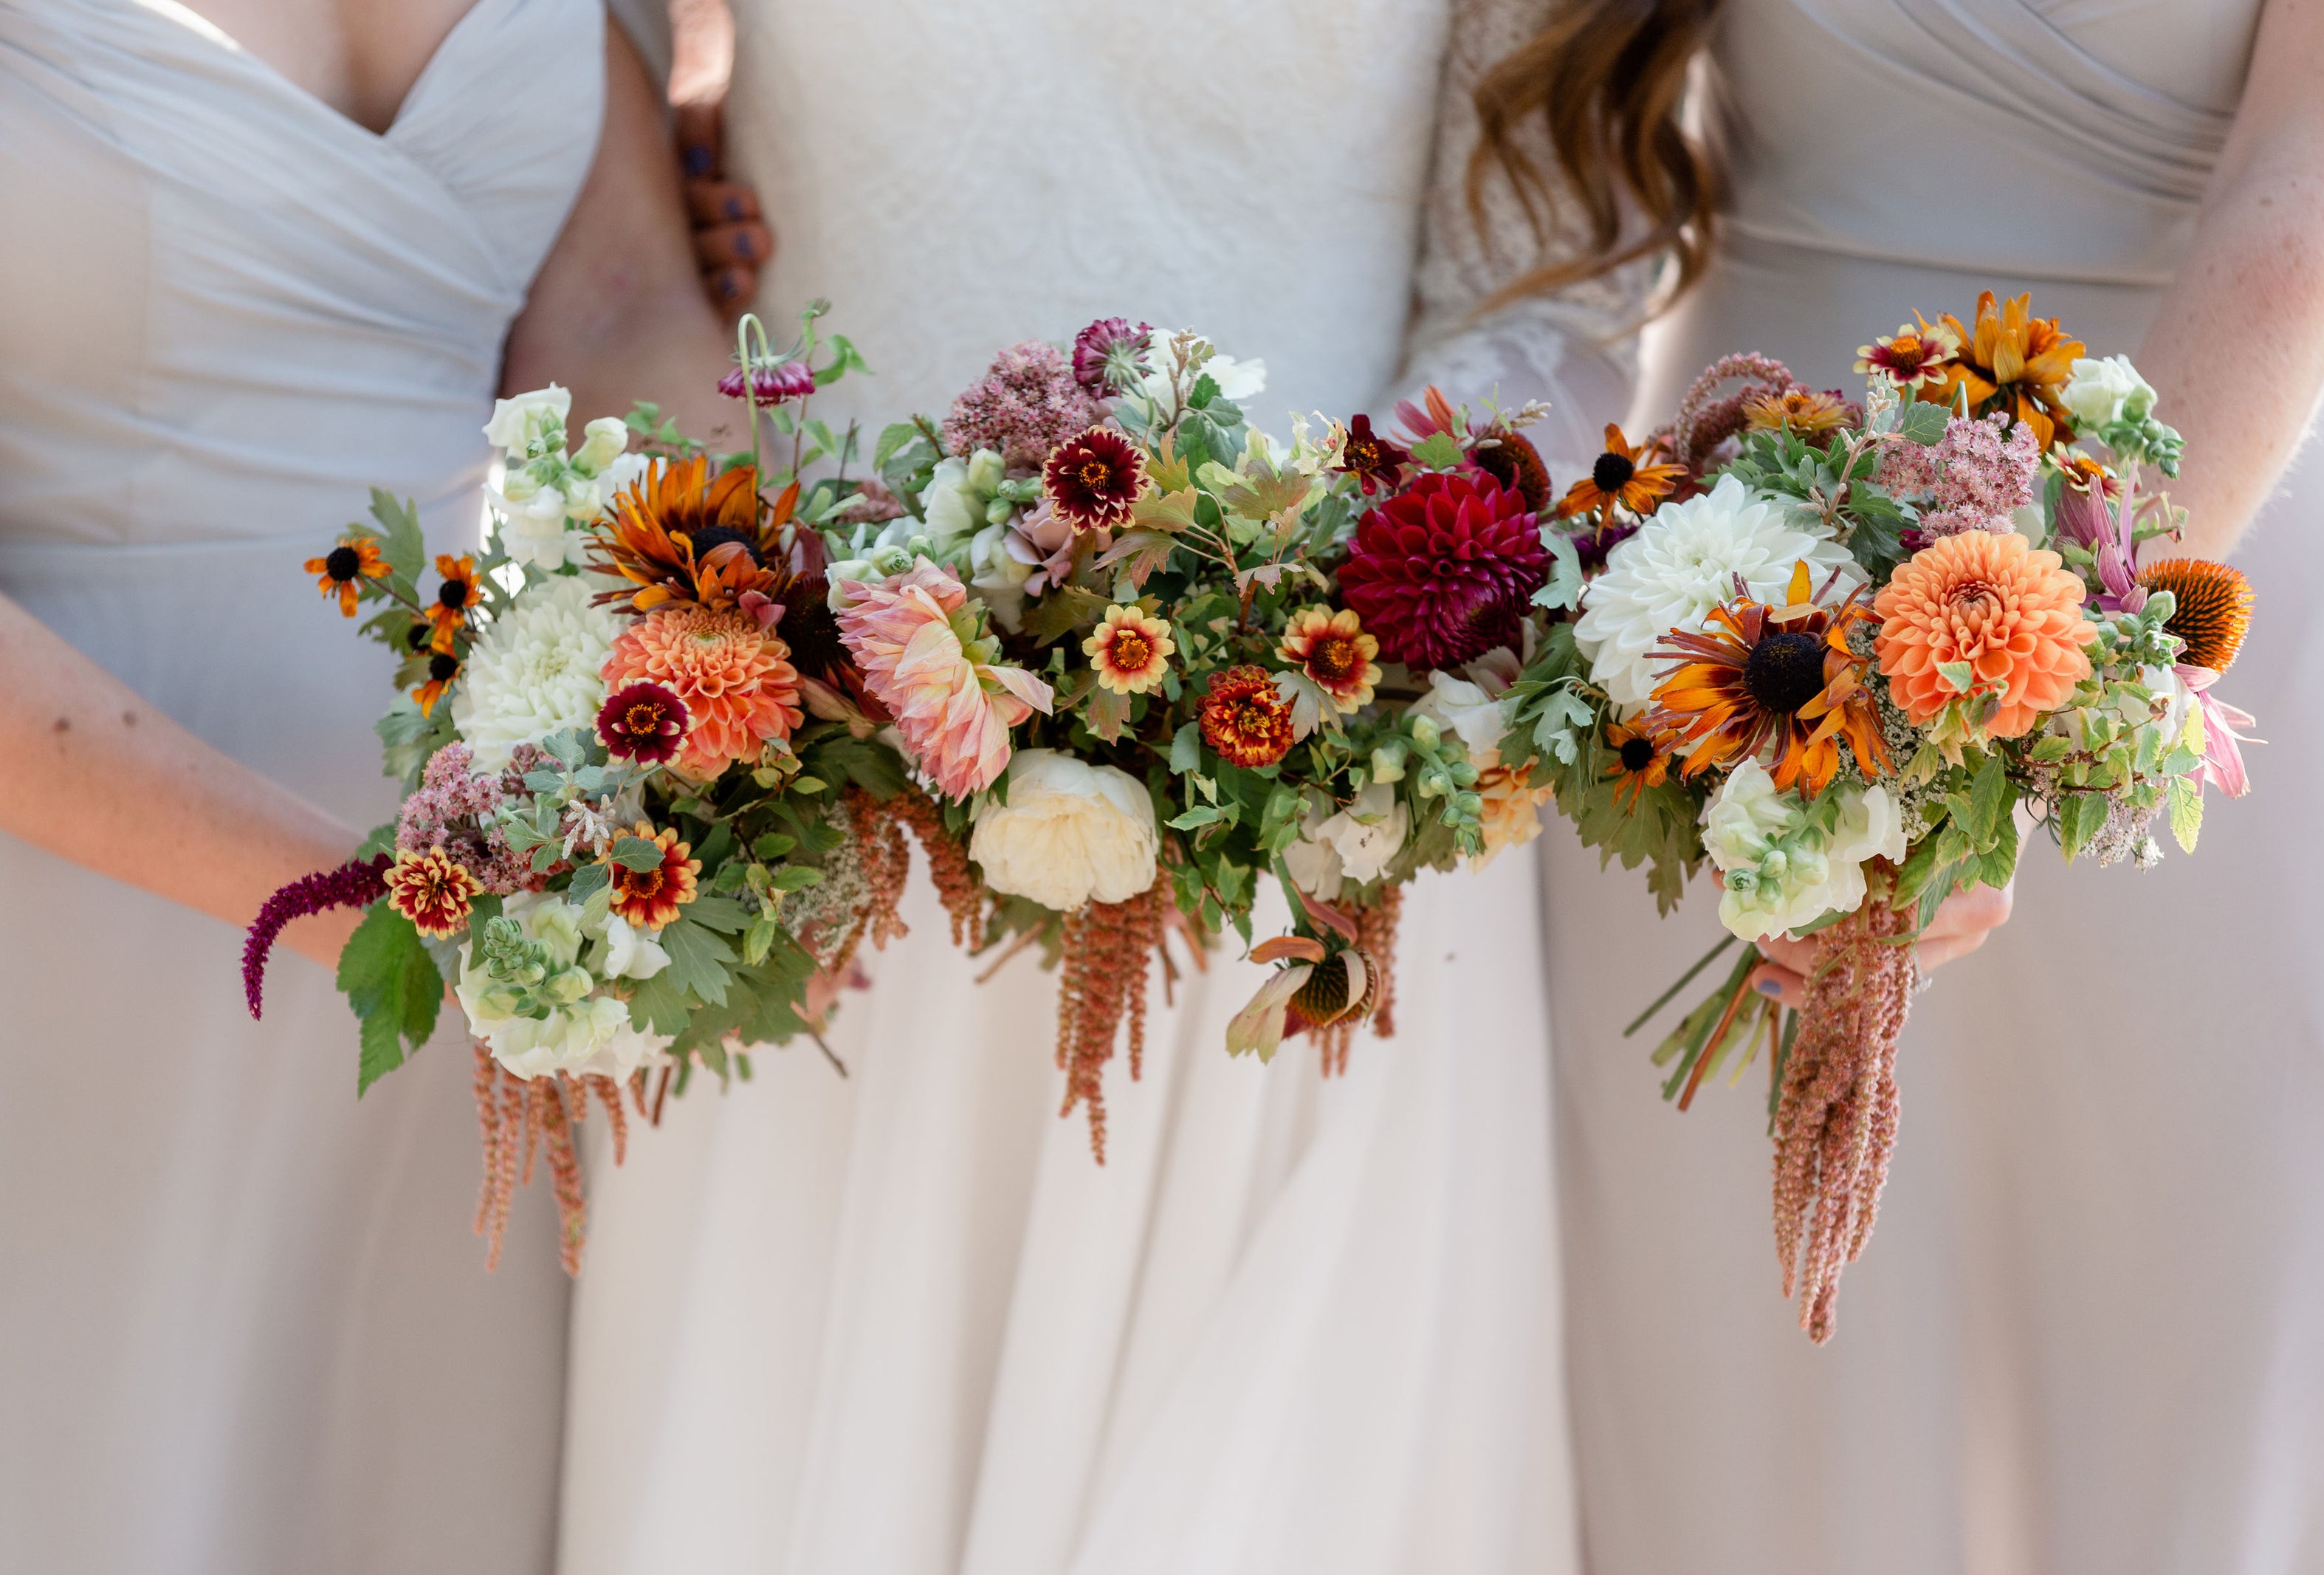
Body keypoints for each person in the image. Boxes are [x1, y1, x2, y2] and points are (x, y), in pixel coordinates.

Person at [554, 2, 1627, 1570]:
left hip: (1312, 799)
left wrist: (1278, 599)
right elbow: (603, 217)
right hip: (819, 782)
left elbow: (1550, 295)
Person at [1521, 0, 2324, 1568]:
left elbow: (2311, 197)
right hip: (1733, 614)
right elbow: (1554, 189)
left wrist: (2006, 721)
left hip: (2196, 575)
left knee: (2196, 1370)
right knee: (1750, 1402)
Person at [0, 0, 739, 1567]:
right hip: (81, 922)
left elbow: (618, 305)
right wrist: (366, 907)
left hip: (484, 963)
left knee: (408, 1478)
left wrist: (697, 718)